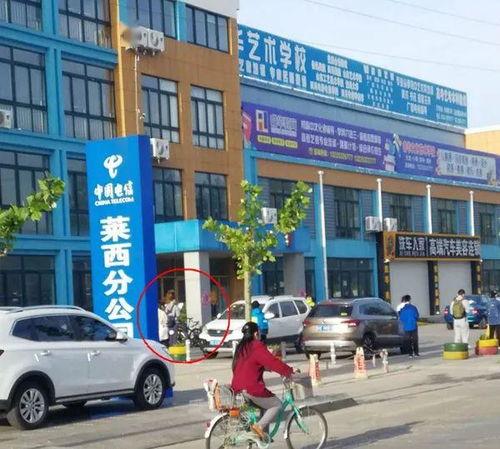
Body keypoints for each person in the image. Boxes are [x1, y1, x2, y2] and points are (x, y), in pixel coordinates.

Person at [231, 322, 294, 441]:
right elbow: (272, 362)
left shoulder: (241, 347)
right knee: (277, 404)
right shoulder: (256, 345)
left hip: (237, 388)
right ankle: (258, 428)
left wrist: (266, 368)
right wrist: (289, 371)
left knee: (265, 404)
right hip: (251, 389)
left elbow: (250, 364)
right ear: (256, 334)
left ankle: (263, 437)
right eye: (259, 333)